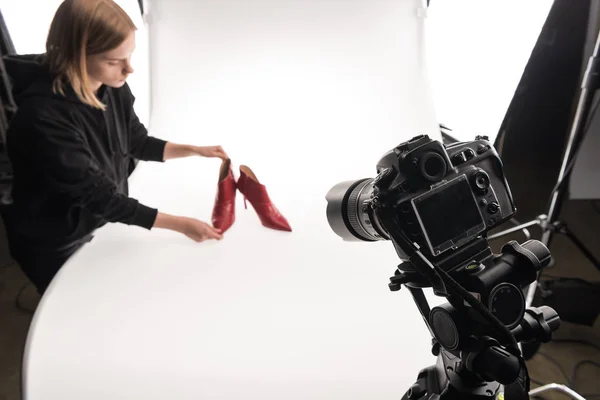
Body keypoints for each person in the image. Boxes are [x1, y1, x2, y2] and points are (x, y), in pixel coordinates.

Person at [0, 0, 225, 295]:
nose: (129, 68)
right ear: (76, 55)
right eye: (113, 60)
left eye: (129, 54)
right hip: (54, 238)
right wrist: (180, 224)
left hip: (96, 221)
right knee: (74, 307)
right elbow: (95, 194)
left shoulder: (112, 85)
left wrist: (193, 150)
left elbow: (135, 142)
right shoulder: (42, 118)